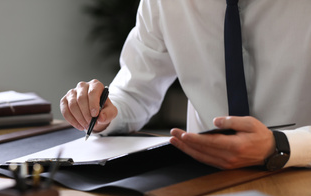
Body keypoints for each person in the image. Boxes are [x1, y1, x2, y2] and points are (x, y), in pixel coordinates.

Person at [60, 0, 311, 170]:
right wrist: (103, 111)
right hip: (205, 181)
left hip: (300, 174)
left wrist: (279, 145)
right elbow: (135, 90)